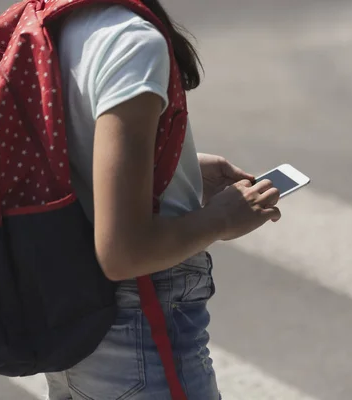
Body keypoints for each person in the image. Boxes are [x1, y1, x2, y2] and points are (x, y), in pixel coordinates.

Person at [45, 1, 282, 399]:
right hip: (136, 329)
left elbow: (75, 152)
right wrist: (221, 219)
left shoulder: (51, 17)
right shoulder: (131, 42)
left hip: (63, 312)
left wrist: (175, 175)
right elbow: (123, 253)